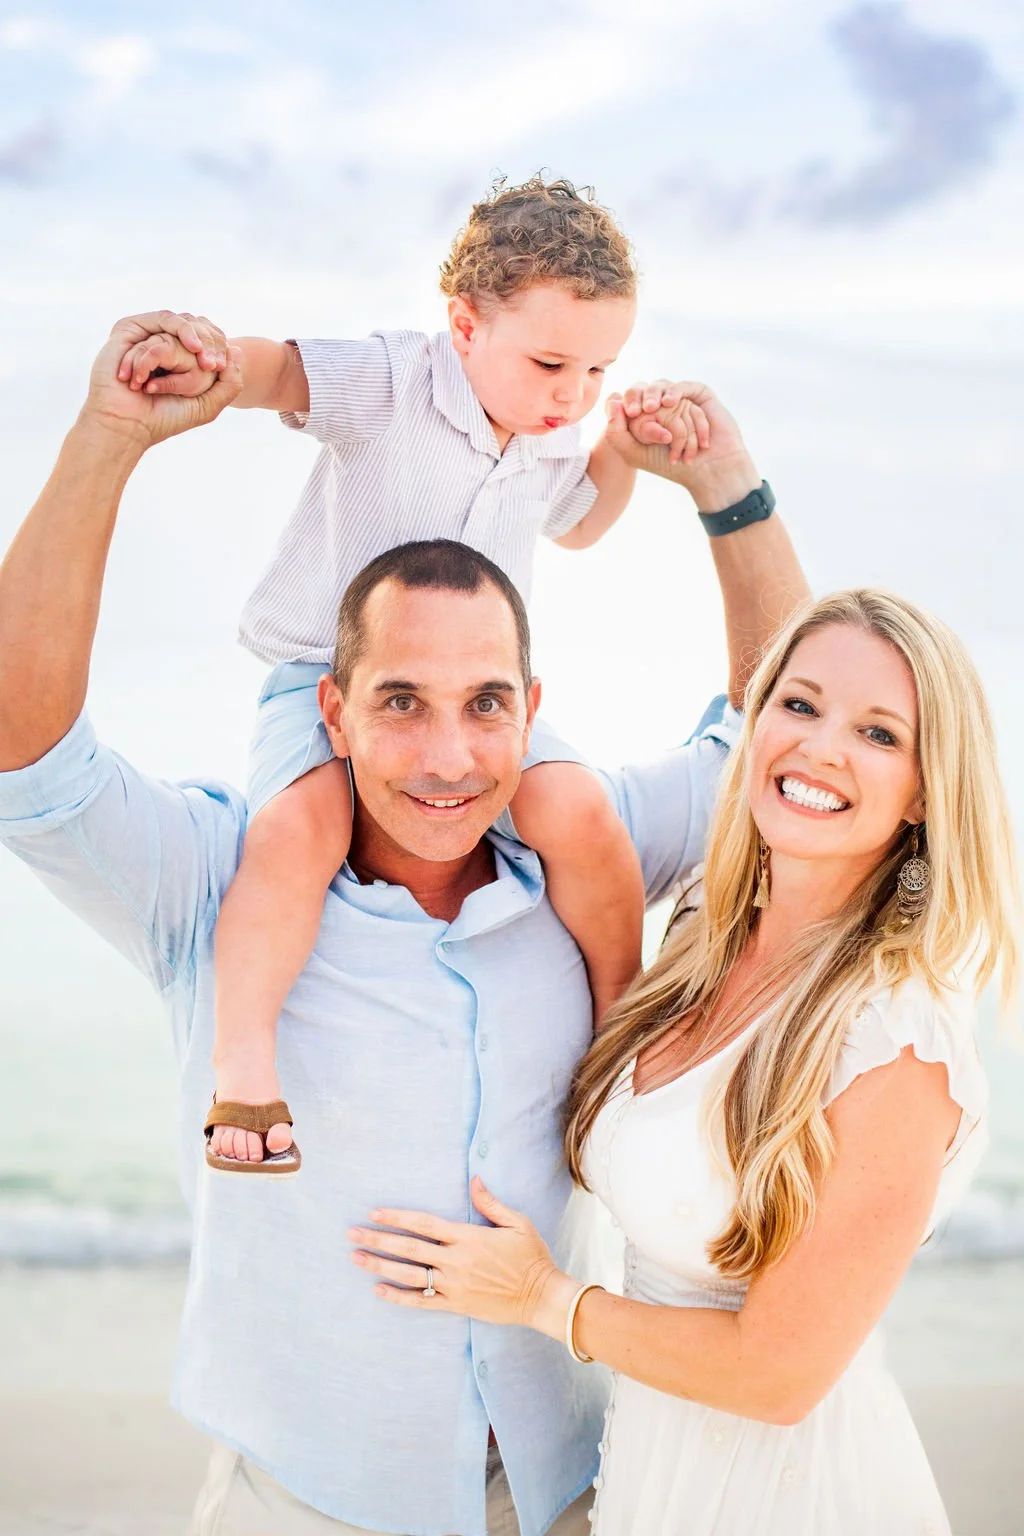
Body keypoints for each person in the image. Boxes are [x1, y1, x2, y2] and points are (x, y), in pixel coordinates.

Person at [0, 313, 807, 1534]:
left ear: (530, 708)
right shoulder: (213, 883)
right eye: (399, 703)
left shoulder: (584, 850)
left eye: (485, 704)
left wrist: (729, 493)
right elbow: (28, 756)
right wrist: (108, 441)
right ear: (330, 709)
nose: (446, 756)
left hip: (560, 1487)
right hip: (307, 1492)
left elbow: (767, 739)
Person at [352, 589, 1022, 1534]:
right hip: (654, 1473)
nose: (822, 747)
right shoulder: (706, 934)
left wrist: (543, 1298)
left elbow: (778, 1374)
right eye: (799, 704)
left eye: (878, 734)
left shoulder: (895, 1042)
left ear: (924, 791)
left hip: (797, 1498)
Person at [114, 175, 712, 1172]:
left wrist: (616, 448)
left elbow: (584, 524)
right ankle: (243, 1062)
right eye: (552, 362)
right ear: (464, 325)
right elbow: (276, 373)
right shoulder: (394, 382)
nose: (571, 393)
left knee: (584, 816)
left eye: (599, 371)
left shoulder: (546, 439)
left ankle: (622, 1037)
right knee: (299, 827)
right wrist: (209, 359)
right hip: (325, 675)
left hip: (478, 704)